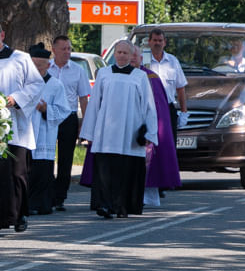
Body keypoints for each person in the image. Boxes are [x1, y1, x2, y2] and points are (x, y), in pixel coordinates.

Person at [0, 19, 44, 237]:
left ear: (2, 35)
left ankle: (20, 214)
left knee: (17, 174)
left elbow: (36, 84)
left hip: (16, 125)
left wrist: (15, 99)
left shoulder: (21, 58)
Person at [80, 40, 158, 219]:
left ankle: (122, 206)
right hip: (106, 132)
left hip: (130, 131)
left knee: (125, 172)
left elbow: (149, 105)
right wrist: (89, 132)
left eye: (125, 53)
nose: (121, 55)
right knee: (106, 171)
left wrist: (149, 132)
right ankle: (105, 205)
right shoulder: (104, 74)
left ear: (132, 56)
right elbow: (94, 104)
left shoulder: (139, 77)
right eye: (119, 52)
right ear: (114, 54)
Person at [130, 46, 181, 208]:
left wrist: (153, 130)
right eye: (127, 54)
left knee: (147, 162)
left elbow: (157, 106)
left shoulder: (151, 77)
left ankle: (147, 196)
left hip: (142, 128)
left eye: (134, 56)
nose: (131, 58)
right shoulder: (112, 74)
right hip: (122, 127)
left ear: (140, 58)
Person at [28, 43, 72, 215]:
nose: (37, 69)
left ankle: (43, 204)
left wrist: (47, 110)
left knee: (43, 171)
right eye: (34, 65)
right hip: (27, 132)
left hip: (45, 133)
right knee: (27, 170)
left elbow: (64, 110)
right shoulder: (24, 82)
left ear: (48, 65)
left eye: (40, 65)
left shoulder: (55, 85)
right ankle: (28, 204)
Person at [48, 35, 91, 211]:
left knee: (66, 159)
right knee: (47, 155)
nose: (67, 52)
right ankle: (47, 193)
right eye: (63, 49)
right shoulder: (46, 69)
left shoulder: (77, 70)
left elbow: (83, 98)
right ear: (54, 50)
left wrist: (84, 123)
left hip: (69, 117)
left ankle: (60, 197)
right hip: (49, 115)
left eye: (69, 49)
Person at [147, 28, 189, 141]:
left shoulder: (173, 61)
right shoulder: (143, 60)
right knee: (149, 146)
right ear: (149, 42)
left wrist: (184, 112)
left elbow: (180, 88)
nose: (157, 43)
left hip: (168, 108)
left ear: (164, 42)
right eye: (155, 40)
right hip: (148, 109)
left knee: (169, 144)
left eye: (160, 40)